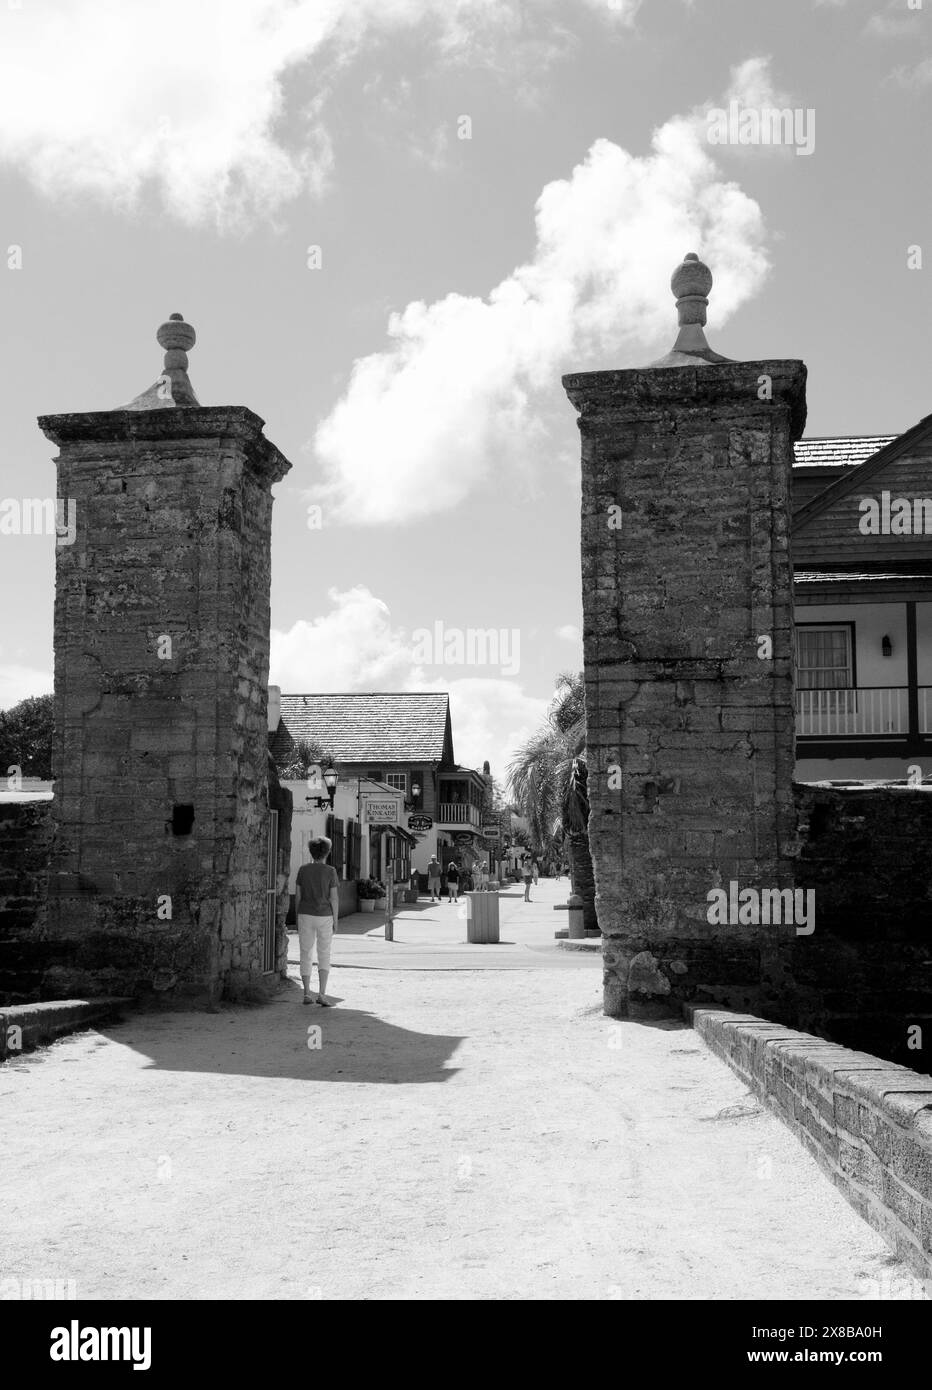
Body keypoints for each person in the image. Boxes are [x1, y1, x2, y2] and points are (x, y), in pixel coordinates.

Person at [294, 836, 340, 1006]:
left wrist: (298, 916)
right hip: (325, 915)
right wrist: (335, 919)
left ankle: (306, 993)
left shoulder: (303, 870)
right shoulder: (330, 871)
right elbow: (334, 898)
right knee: (324, 953)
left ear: (311, 851)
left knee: (305, 952)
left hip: (305, 914)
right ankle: (321, 993)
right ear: (327, 852)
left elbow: (298, 896)